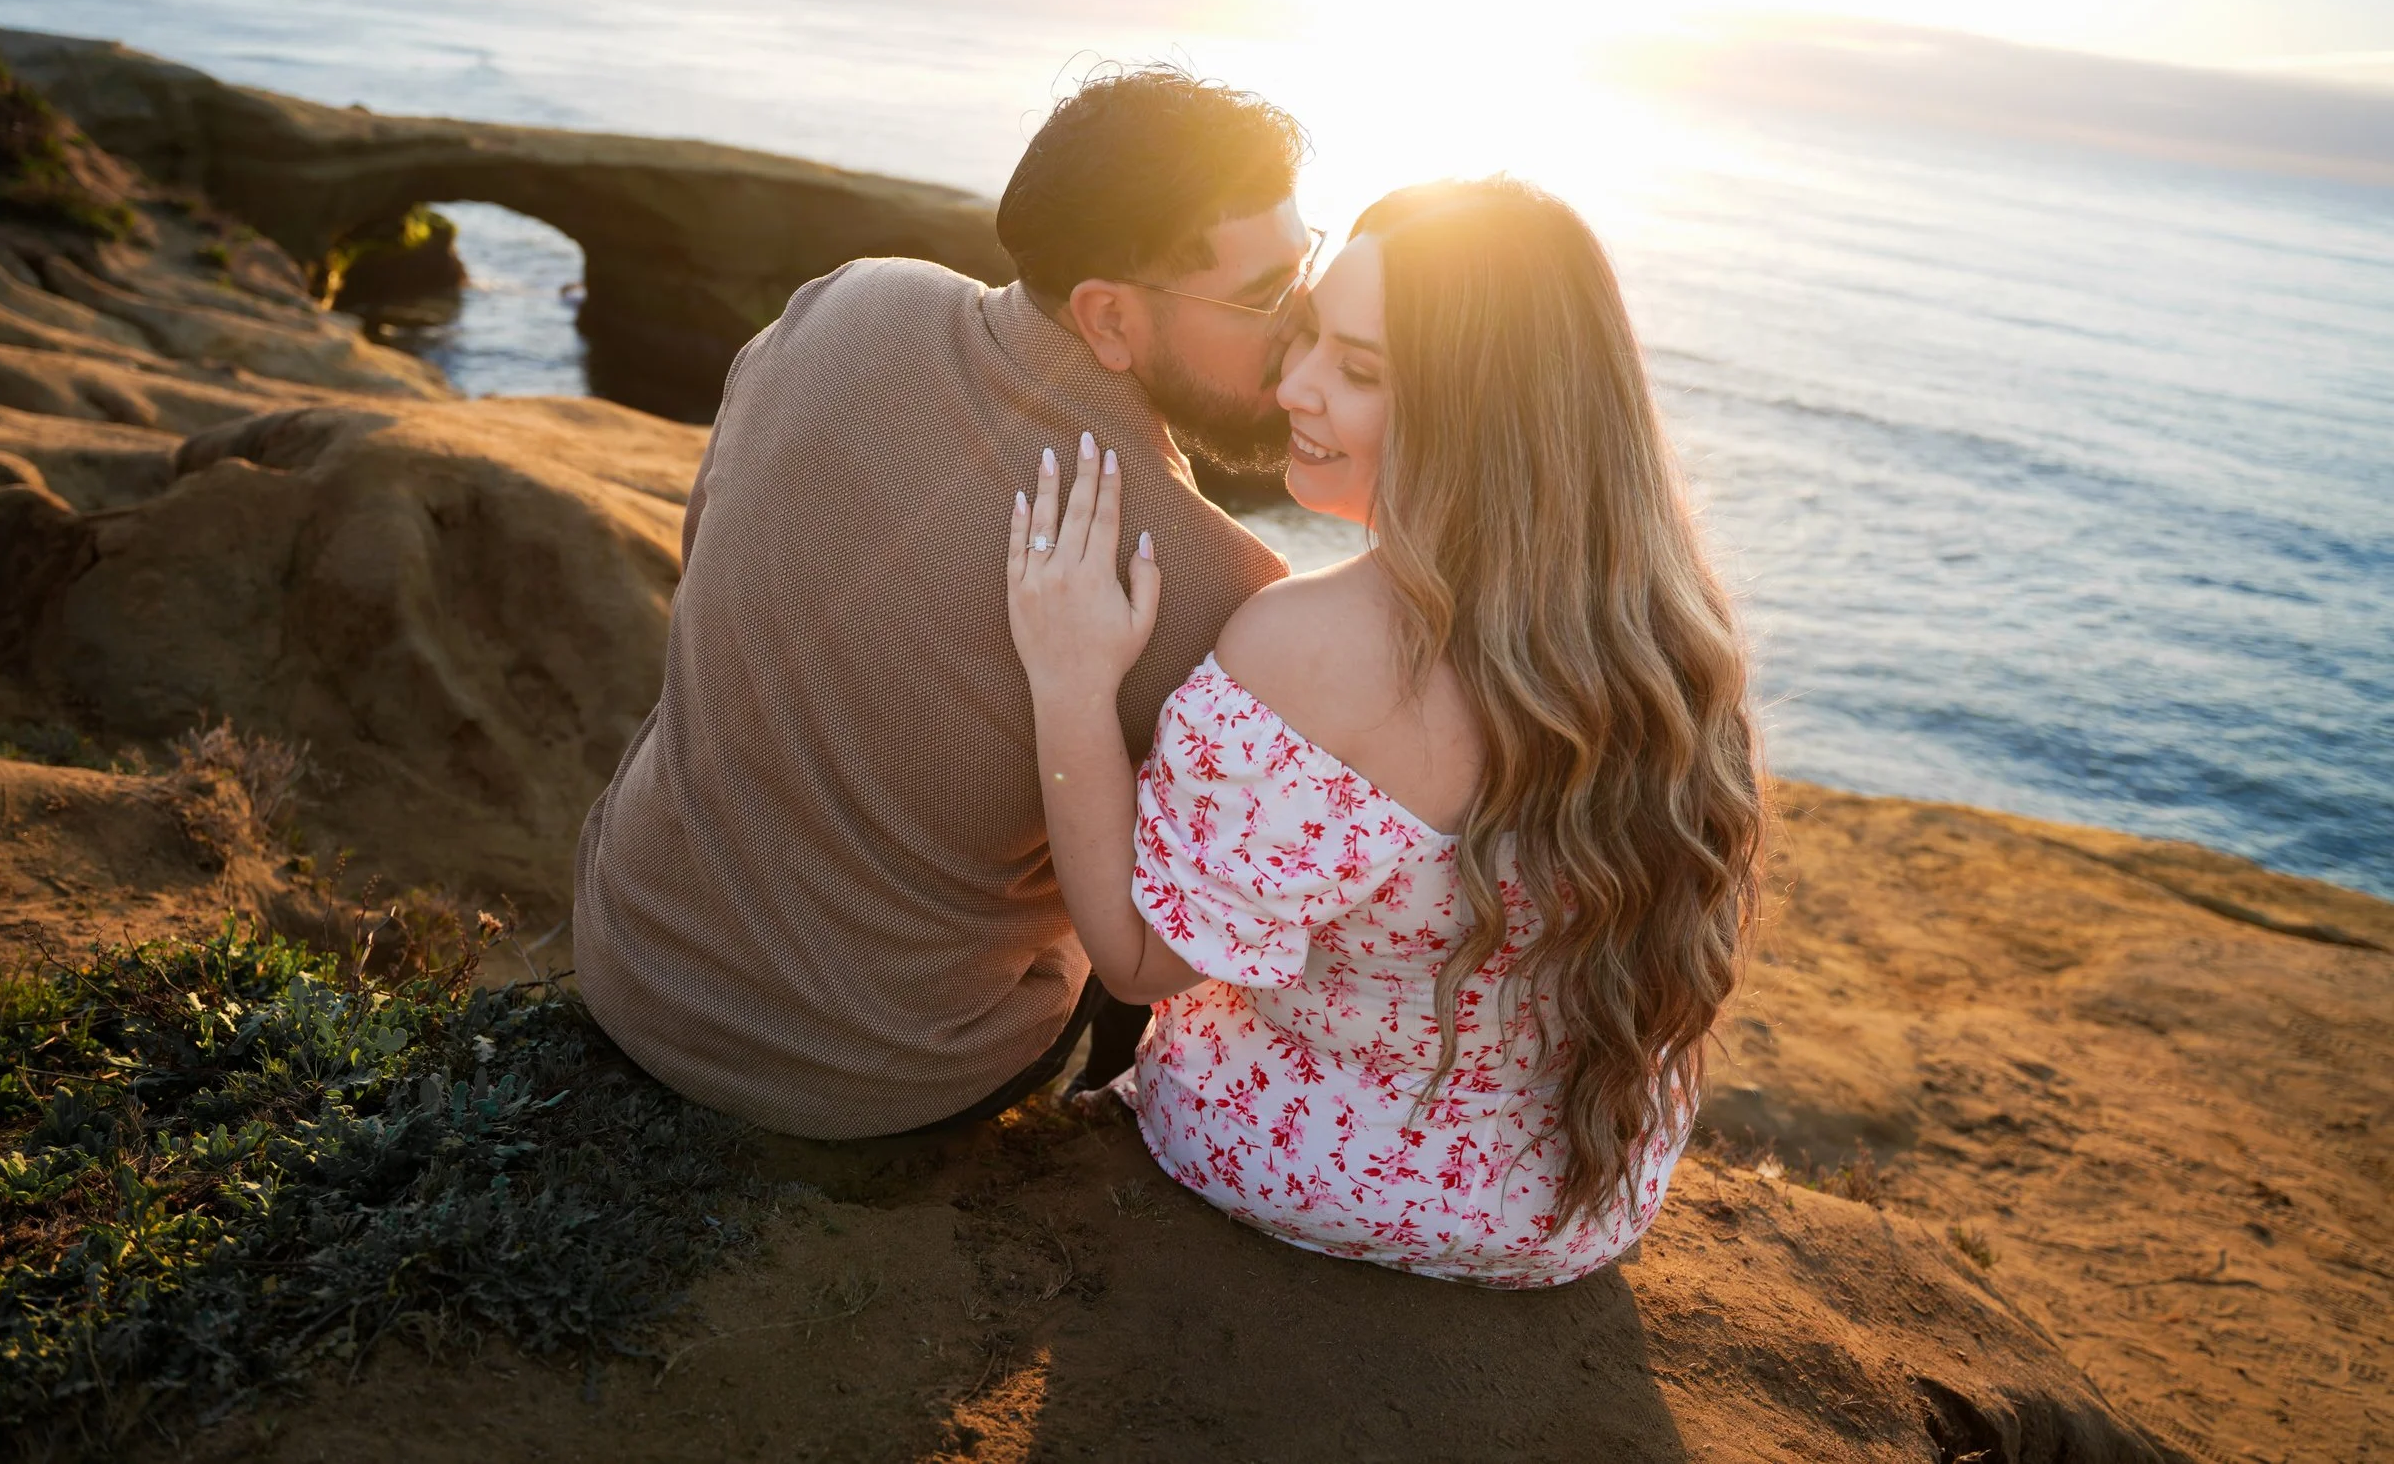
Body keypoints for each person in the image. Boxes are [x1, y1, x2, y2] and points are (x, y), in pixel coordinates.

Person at [1005, 175, 1766, 1285]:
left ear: (1481, 414)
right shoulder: (1665, 630)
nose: (1294, 386)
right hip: (1574, 1199)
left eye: (1359, 371)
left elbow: (1134, 959)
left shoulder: (1309, 646)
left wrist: (1070, 679)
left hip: (1306, 1164)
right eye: (1305, 333)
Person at [571, 69, 1313, 1139]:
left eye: (1307, 266)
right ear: (1107, 315)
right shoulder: (1214, 587)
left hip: (627, 952)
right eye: (1262, 296)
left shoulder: (847, 298)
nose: (1302, 328)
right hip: (876, 1074)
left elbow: (711, 538)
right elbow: (1161, 913)